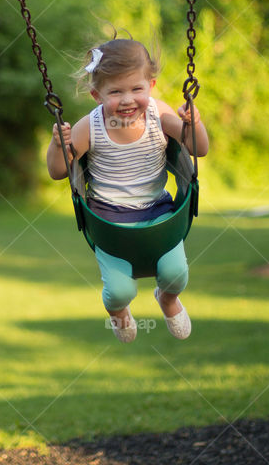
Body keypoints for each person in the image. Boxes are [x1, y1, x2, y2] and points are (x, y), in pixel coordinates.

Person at [46, 38, 209, 343]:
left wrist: (194, 124)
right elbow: (58, 171)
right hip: (109, 220)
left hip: (159, 212)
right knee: (119, 292)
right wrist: (59, 146)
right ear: (97, 95)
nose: (127, 100)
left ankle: (168, 300)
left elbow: (198, 148)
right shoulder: (89, 127)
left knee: (176, 275)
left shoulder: (159, 116)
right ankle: (119, 312)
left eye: (136, 89)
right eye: (115, 92)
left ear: (152, 85)